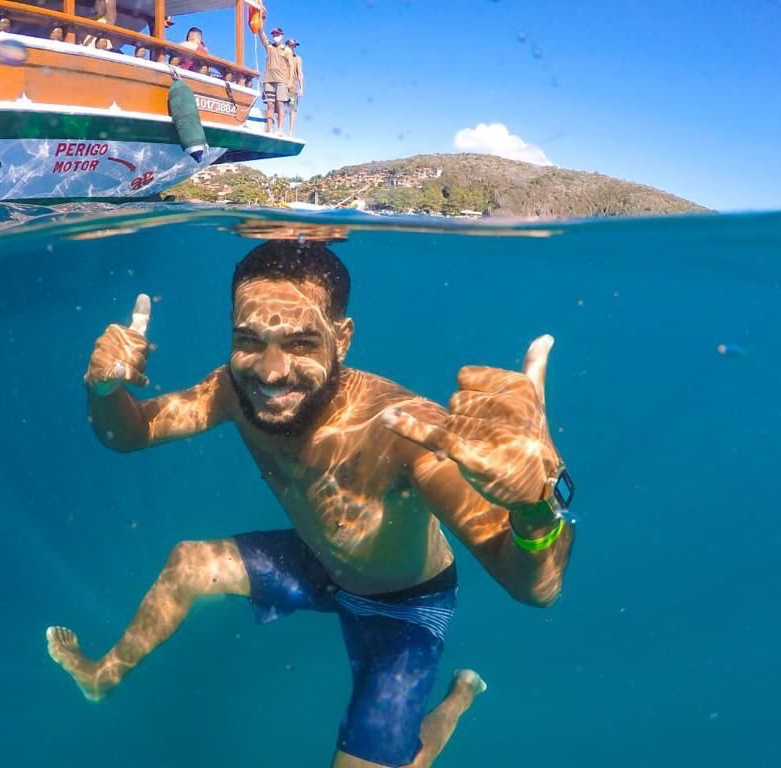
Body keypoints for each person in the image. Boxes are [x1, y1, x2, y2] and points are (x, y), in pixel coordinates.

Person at [47, 241, 575, 767]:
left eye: (300, 343)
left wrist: (535, 506)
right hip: (320, 563)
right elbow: (130, 433)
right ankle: (100, 677)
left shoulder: (405, 432)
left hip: (407, 603)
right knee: (190, 564)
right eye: (249, 340)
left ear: (341, 339)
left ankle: (457, 701)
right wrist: (104, 391)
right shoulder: (232, 390)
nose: (271, 371)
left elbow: (538, 590)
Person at [257, 21, 293, 134]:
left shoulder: (286, 50)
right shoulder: (269, 47)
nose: (275, 36)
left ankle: (280, 129)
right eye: (274, 34)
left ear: (282, 35)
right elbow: (261, 33)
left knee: (280, 104)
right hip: (268, 80)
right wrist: (261, 21)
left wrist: (290, 81)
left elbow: (291, 66)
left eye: (277, 34)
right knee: (270, 105)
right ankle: (270, 129)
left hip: (281, 80)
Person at [286, 38, 304, 137]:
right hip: (282, 86)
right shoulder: (283, 56)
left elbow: (300, 73)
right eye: (292, 45)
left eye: (294, 46)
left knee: (292, 109)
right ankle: (279, 129)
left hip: (292, 88)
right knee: (279, 107)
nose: (293, 47)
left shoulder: (297, 59)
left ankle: (291, 132)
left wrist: (301, 88)